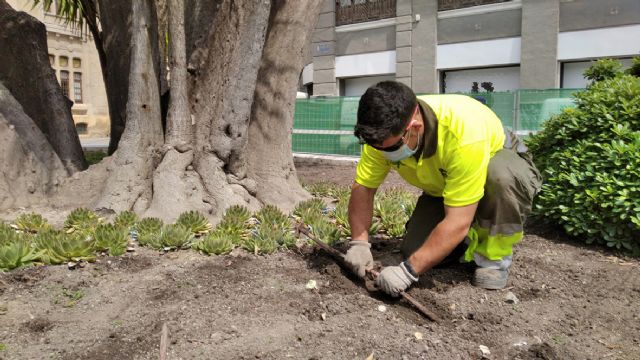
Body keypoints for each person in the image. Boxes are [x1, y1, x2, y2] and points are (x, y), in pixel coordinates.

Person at [344, 81, 542, 296]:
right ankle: (469, 235)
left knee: (500, 177)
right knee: (415, 250)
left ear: (414, 128)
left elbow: (457, 221)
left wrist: (408, 272)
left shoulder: (463, 135)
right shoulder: (381, 135)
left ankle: (494, 258)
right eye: (376, 147)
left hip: (499, 164)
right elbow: (364, 188)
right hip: (445, 184)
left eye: (391, 147)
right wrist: (360, 242)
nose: (383, 153)